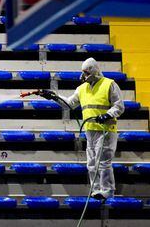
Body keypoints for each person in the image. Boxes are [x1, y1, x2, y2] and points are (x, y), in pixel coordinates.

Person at [39, 57, 125, 200]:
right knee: (91, 163)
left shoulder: (109, 84)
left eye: (85, 72)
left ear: (93, 71)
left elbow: (119, 106)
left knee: (103, 162)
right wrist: (54, 97)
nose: (83, 75)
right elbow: (69, 104)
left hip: (106, 130)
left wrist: (108, 115)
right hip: (90, 130)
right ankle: (96, 189)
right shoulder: (82, 89)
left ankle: (107, 191)